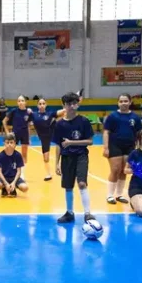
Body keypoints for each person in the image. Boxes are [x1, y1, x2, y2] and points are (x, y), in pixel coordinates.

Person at [53, 92, 96, 224]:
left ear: (78, 104)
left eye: (74, 103)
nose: (71, 106)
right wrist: (56, 163)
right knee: (68, 186)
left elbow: (90, 141)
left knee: (82, 183)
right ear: (64, 106)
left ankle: (87, 213)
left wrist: (71, 142)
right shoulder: (59, 124)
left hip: (81, 155)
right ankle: (69, 212)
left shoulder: (83, 121)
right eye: (68, 104)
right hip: (67, 157)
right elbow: (58, 145)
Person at [103, 93, 142, 204]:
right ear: (118, 103)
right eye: (121, 101)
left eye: (125, 101)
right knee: (115, 169)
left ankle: (119, 194)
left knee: (124, 170)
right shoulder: (113, 116)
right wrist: (106, 147)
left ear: (130, 102)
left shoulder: (135, 117)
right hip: (114, 145)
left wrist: (139, 148)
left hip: (129, 146)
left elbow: (139, 133)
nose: (123, 103)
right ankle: (110, 195)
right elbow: (106, 132)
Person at [31, 97, 66, 181]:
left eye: (43, 103)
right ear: (37, 105)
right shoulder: (34, 115)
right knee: (46, 158)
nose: (42, 105)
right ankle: (49, 174)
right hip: (44, 138)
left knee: (63, 148)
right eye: (40, 104)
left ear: (46, 105)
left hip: (53, 133)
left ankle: (61, 168)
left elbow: (62, 111)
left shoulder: (50, 113)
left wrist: (66, 106)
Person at [3, 95, 33, 164]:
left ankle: (23, 170)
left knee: (24, 154)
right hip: (15, 134)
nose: (20, 102)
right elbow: (4, 121)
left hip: (25, 134)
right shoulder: (14, 111)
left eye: (22, 101)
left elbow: (29, 126)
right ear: (17, 102)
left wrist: (29, 138)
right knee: (10, 152)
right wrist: (7, 133)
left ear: (25, 102)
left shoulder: (28, 112)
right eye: (19, 101)